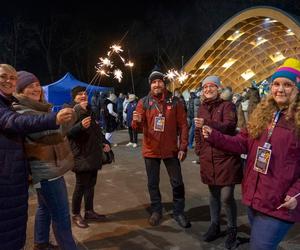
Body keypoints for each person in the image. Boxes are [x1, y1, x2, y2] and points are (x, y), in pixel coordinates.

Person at [201, 58, 300, 250]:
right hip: (255, 196)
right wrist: (214, 136)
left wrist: (296, 193)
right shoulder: (263, 114)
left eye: (287, 85)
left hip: (280, 203)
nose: (280, 89)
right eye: (276, 84)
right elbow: (242, 143)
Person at [0, 64, 74, 250]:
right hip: (45, 170)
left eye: (37, 84)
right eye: (29, 86)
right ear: (21, 91)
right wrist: (63, 118)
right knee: (61, 216)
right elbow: (49, 134)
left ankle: (40, 242)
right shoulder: (21, 109)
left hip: (31, 171)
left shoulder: (37, 107)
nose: (35, 89)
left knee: (45, 209)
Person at [132, 69, 191, 228]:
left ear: (164, 84)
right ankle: (156, 210)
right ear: (150, 85)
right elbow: (136, 127)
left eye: (159, 81)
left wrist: (183, 147)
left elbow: (183, 125)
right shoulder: (143, 102)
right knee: (153, 183)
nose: (157, 84)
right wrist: (135, 121)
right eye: (153, 82)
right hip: (151, 150)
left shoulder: (175, 101)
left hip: (171, 149)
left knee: (177, 182)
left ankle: (179, 212)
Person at [194, 75, 242, 249]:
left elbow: (229, 127)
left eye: (212, 86)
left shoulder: (227, 105)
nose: (208, 89)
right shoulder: (201, 108)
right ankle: (215, 225)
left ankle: (232, 229)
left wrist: (207, 122)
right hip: (208, 156)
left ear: (218, 89)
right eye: (205, 87)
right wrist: (199, 150)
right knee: (213, 194)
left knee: (227, 196)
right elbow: (198, 132)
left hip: (226, 156)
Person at [66, 86, 111, 229]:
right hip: (81, 154)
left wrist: (105, 142)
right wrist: (80, 126)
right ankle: (75, 214)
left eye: (85, 93)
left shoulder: (89, 110)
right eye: (79, 94)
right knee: (80, 186)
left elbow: (96, 130)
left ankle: (89, 211)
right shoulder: (70, 110)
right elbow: (67, 133)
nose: (83, 95)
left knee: (91, 185)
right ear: (74, 97)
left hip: (93, 153)